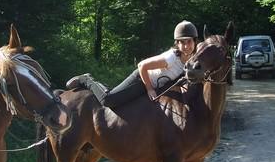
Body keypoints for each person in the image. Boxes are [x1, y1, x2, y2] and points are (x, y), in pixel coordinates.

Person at [66, 20, 199, 109]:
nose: (186, 46)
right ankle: (87, 79)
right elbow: (142, 66)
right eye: (182, 42)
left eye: (188, 42)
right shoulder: (170, 58)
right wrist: (149, 89)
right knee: (108, 101)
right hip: (142, 80)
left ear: (195, 41)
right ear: (177, 43)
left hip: (157, 88)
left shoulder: (193, 60)